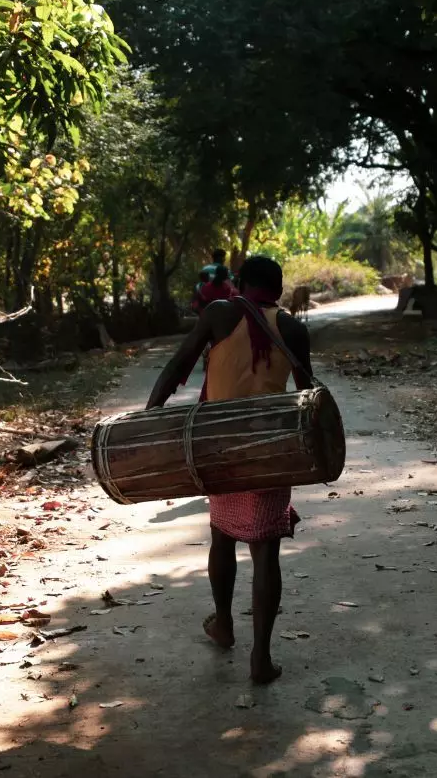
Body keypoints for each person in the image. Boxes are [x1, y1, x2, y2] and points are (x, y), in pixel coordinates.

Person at [146, 255, 313, 684]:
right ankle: (261, 658)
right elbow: (308, 397)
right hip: (271, 446)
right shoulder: (292, 328)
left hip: (218, 442)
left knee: (222, 535)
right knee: (266, 551)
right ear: (277, 289)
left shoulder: (220, 312)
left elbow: (177, 366)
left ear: (239, 282)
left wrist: (147, 420)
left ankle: (223, 624)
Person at [191, 249, 233, 314]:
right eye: (223, 257)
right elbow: (231, 285)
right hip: (220, 306)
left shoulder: (205, 269)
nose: (224, 259)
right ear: (221, 258)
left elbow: (200, 285)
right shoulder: (225, 271)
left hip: (204, 304)